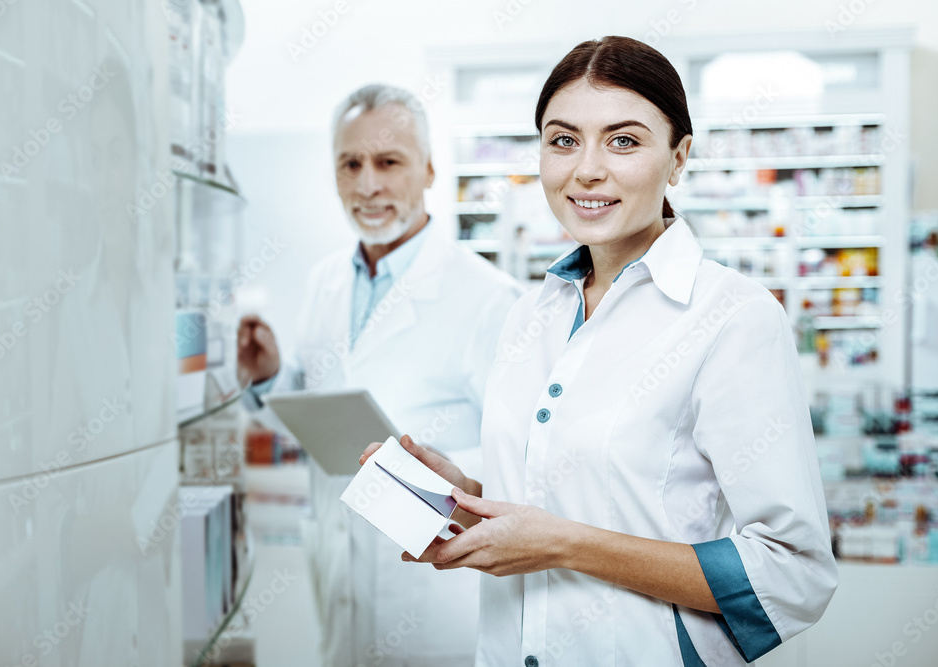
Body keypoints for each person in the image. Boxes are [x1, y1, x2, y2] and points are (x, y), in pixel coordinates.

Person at [362, 37, 838, 666]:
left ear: (678, 158)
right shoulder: (530, 314)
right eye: (563, 140)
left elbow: (793, 573)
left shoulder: (734, 318)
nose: (587, 169)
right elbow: (550, 511)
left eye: (623, 141)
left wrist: (564, 546)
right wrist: (464, 497)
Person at [237, 84, 523, 667]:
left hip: (435, 592)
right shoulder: (325, 283)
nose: (368, 184)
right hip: (339, 568)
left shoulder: (490, 299)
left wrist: (447, 473)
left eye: (389, 162)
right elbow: (322, 414)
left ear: (429, 171)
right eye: (351, 164)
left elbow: (525, 459)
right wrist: (270, 379)